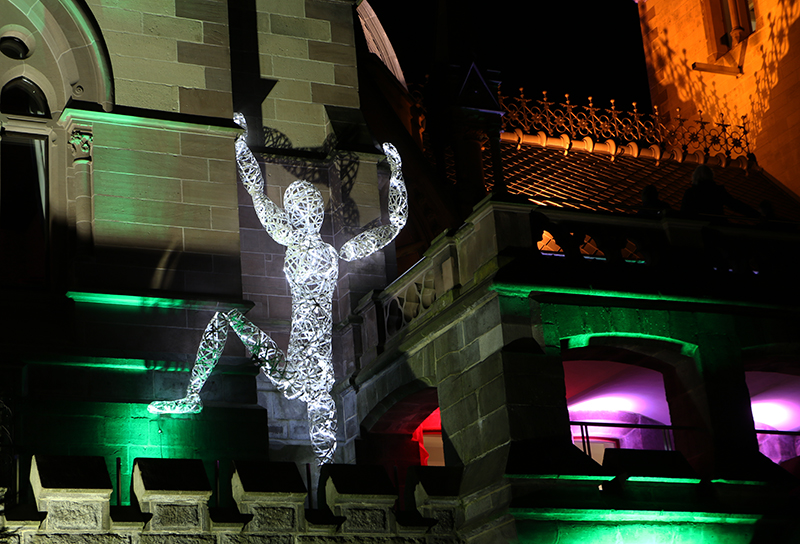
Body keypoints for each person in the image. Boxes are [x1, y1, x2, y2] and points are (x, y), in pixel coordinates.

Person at [148, 113, 408, 465]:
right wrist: (241, 143)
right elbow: (255, 188)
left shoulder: (338, 251)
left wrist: (396, 171)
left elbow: (393, 224)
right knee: (225, 317)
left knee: (326, 451)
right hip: (292, 363)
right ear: (293, 214)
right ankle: (192, 396)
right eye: (300, 208)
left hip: (316, 364)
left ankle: (329, 488)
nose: (308, 212)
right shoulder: (287, 238)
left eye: (312, 207)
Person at [680, 165, 756, 221]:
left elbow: (684, 212)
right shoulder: (717, 191)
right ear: (711, 176)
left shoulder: (690, 193)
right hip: (717, 224)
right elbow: (734, 204)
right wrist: (755, 214)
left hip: (698, 226)